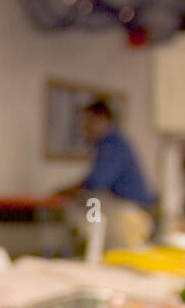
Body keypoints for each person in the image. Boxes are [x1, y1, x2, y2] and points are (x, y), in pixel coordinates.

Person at [57, 99, 157, 251]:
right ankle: (91, 244)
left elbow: (96, 182)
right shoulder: (106, 145)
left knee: (89, 202)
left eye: (88, 122)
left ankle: (92, 245)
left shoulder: (114, 145)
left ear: (102, 120)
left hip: (130, 213)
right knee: (85, 206)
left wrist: (65, 192)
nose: (85, 128)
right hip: (125, 211)